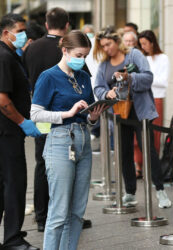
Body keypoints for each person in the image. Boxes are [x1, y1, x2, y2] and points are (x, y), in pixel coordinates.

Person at [31, 30, 105, 250]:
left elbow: (88, 111)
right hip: (60, 140)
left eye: (85, 56)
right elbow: (35, 114)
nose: (82, 60)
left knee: (77, 210)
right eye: (79, 55)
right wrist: (67, 113)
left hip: (82, 138)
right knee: (59, 210)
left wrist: (93, 117)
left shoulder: (83, 76)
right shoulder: (48, 76)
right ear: (65, 50)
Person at [23, 7, 92, 232]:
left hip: (43, 111)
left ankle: (41, 214)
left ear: (46, 24)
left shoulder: (31, 48)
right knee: (58, 166)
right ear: (66, 25)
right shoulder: (66, 53)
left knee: (43, 163)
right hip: (59, 115)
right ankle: (53, 216)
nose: (81, 60)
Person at [93, 29, 171, 208]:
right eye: (103, 46)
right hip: (119, 113)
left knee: (148, 150)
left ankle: (160, 191)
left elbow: (148, 78)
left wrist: (129, 77)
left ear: (116, 41)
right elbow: (98, 87)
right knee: (124, 152)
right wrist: (107, 92)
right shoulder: (104, 65)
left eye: (109, 44)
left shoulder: (133, 55)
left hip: (140, 111)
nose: (106, 48)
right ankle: (130, 192)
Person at [0, 13, 41, 250]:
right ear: (7, 32)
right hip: (8, 132)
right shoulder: (4, 57)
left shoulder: (10, 55)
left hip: (7, 132)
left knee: (4, 184)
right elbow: (3, 98)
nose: (24, 35)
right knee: (14, 184)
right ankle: (13, 239)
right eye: (20, 30)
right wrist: (22, 122)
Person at [137, 30, 169, 177]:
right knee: (139, 135)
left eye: (144, 43)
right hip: (141, 98)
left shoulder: (163, 58)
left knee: (155, 134)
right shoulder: (142, 58)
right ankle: (139, 165)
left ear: (152, 42)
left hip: (156, 99)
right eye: (141, 44)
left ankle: (153, 169)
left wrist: (145, 79)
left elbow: (163, 83)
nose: (143, 47)